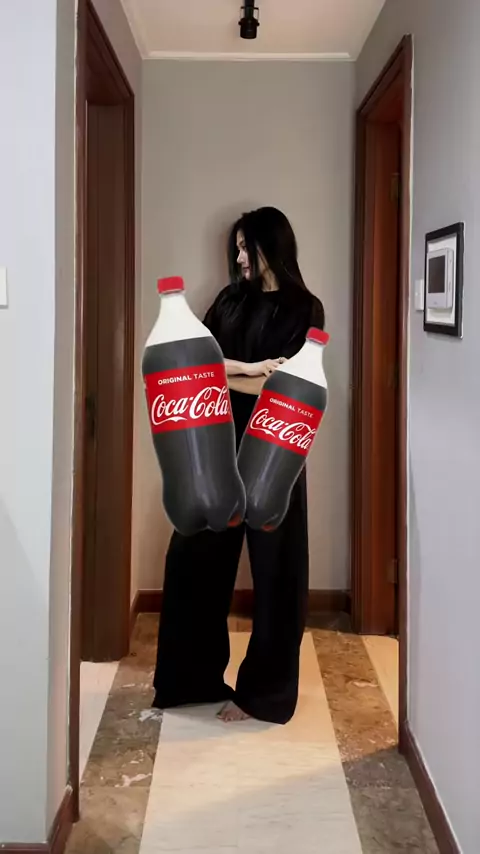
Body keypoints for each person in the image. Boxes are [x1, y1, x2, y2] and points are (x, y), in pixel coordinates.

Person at [152, 206, 325, 725]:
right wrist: (248, 371)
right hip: (216, 444)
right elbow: (196, 366)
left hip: (276, 449)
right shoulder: (228, 301)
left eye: (248, 247)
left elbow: (290, 383)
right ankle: (190, 680)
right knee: (194, 560)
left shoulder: (304, 308)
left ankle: (264, 695)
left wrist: (233, 375)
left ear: (274, 245)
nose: (241, 257)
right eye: (238, 248)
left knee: (277, 572)